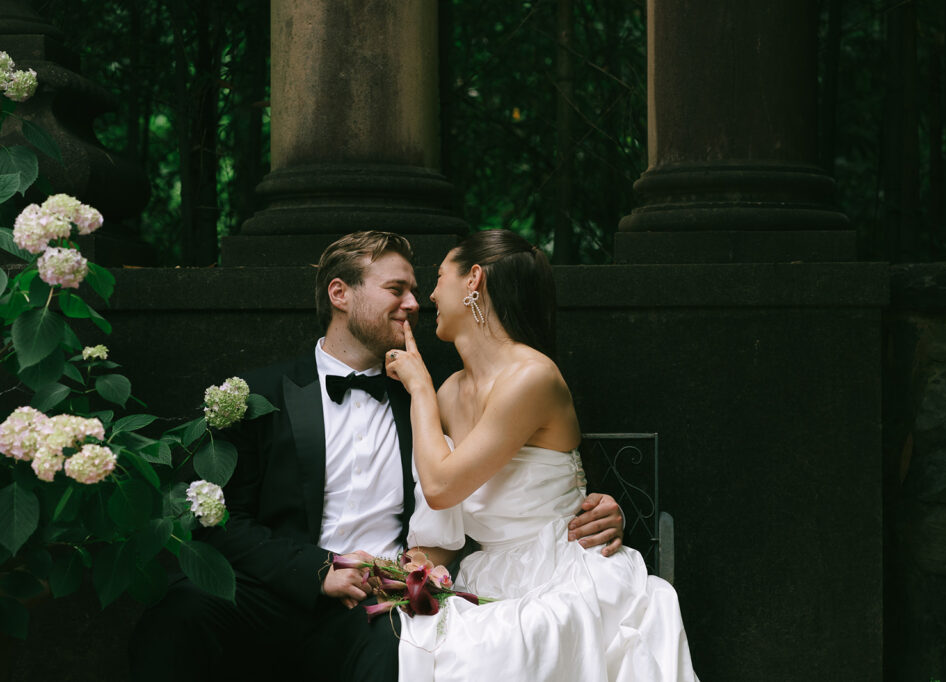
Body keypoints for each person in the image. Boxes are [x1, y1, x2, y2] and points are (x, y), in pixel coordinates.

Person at [129, 231, 625, 682]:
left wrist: (599, 506)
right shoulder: (263, 394)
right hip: (279, 587)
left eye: (417, 288)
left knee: (405, 649)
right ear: (340, 294)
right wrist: (317, 570)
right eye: (396, 290)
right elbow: (224, 518)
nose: (415, 303)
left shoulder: (426, 399)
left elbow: (524, 469)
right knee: (179, 614)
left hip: (382, 602)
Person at [383, 229, 699, 681]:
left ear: (474, 279)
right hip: (487, 576)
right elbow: (446, 517)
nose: (429, 295)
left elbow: (439, 486)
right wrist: (398, 573)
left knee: (516, 645)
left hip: (561, 570)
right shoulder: (450, 391)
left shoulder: (531, 376)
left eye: (437, 277)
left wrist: (418, 389)